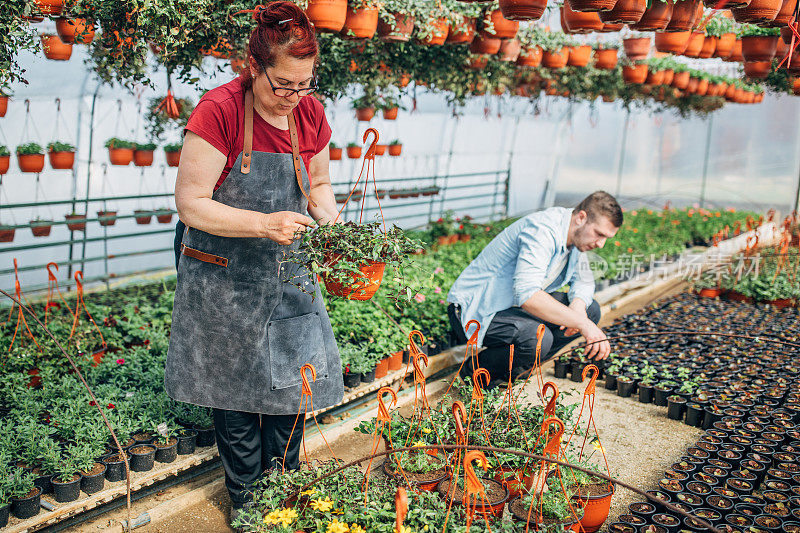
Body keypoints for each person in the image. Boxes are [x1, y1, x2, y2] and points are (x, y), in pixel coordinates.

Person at [163, 3, 343, 528]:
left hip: (288, 268)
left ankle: (282, 486)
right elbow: (191, 203)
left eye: (304, 85)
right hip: (223, 271)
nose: (292, 97)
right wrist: (264, 224)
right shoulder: (218, 110)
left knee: (293, 380)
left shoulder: (309, 113)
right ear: (253, 65)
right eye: (282, 84)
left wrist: (331, 223)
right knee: (235, 384)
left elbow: (321, 187)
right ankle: (245, 493)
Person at [446, 191, 622, 387]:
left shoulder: (576, 237)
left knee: (590, 310)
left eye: (606, 237)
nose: (600, 243)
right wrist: (583, 324)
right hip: (476, 310)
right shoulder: (543, 231)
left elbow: (584, 282)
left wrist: (579, 310)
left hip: (510, 306)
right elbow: (528, 296)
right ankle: (475, 374)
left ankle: (515, 369)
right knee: (538, 337)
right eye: (599, 234)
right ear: (581, 218)